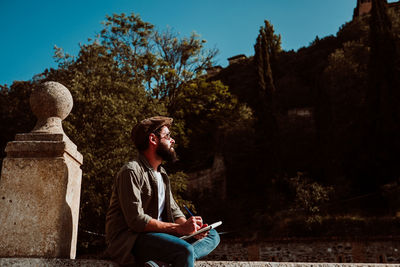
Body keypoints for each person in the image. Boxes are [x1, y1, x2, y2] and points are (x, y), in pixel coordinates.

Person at [105, 116, 220, 267]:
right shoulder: (131, 171)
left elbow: (175, 211)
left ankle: (162, 263)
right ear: (153, 139)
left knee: (212, 235)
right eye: (168, 136)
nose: (172, 140)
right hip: (132, 240)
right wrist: (179, 229)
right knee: (184, 250)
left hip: (158, 238)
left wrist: (191, 228)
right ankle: (176, 257)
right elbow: (136, 221)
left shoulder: (163, 174)